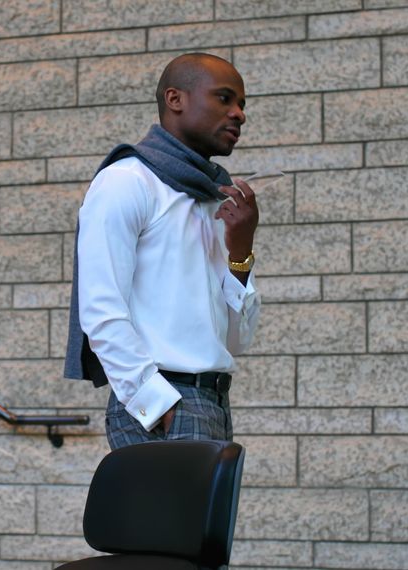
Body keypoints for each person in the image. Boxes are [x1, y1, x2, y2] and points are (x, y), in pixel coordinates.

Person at [64, 53, 263, 450]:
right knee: (165, 517)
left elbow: (236, 341)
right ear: (175, 99)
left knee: (207, 518)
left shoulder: (212, 199)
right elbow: (101, 310)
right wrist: (154, 403)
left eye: (242, 104)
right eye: (225, 99)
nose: (239, 114)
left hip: (213, 403)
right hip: (165, 404)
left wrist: (241, 252)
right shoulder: (127, 182)